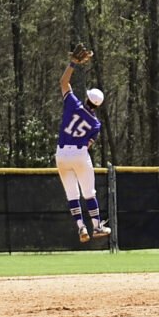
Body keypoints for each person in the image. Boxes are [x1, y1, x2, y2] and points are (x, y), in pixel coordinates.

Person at [56, 44, 110, 243]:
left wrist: (73, 64)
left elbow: (63, 83)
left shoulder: (73, 104)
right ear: (98, 105)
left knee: (72, 194)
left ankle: (81, 227)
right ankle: (96, 226)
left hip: (61, 154)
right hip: (79, 154)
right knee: (89, 193)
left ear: (87, 98)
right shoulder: (95, 123)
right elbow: (88, 145)